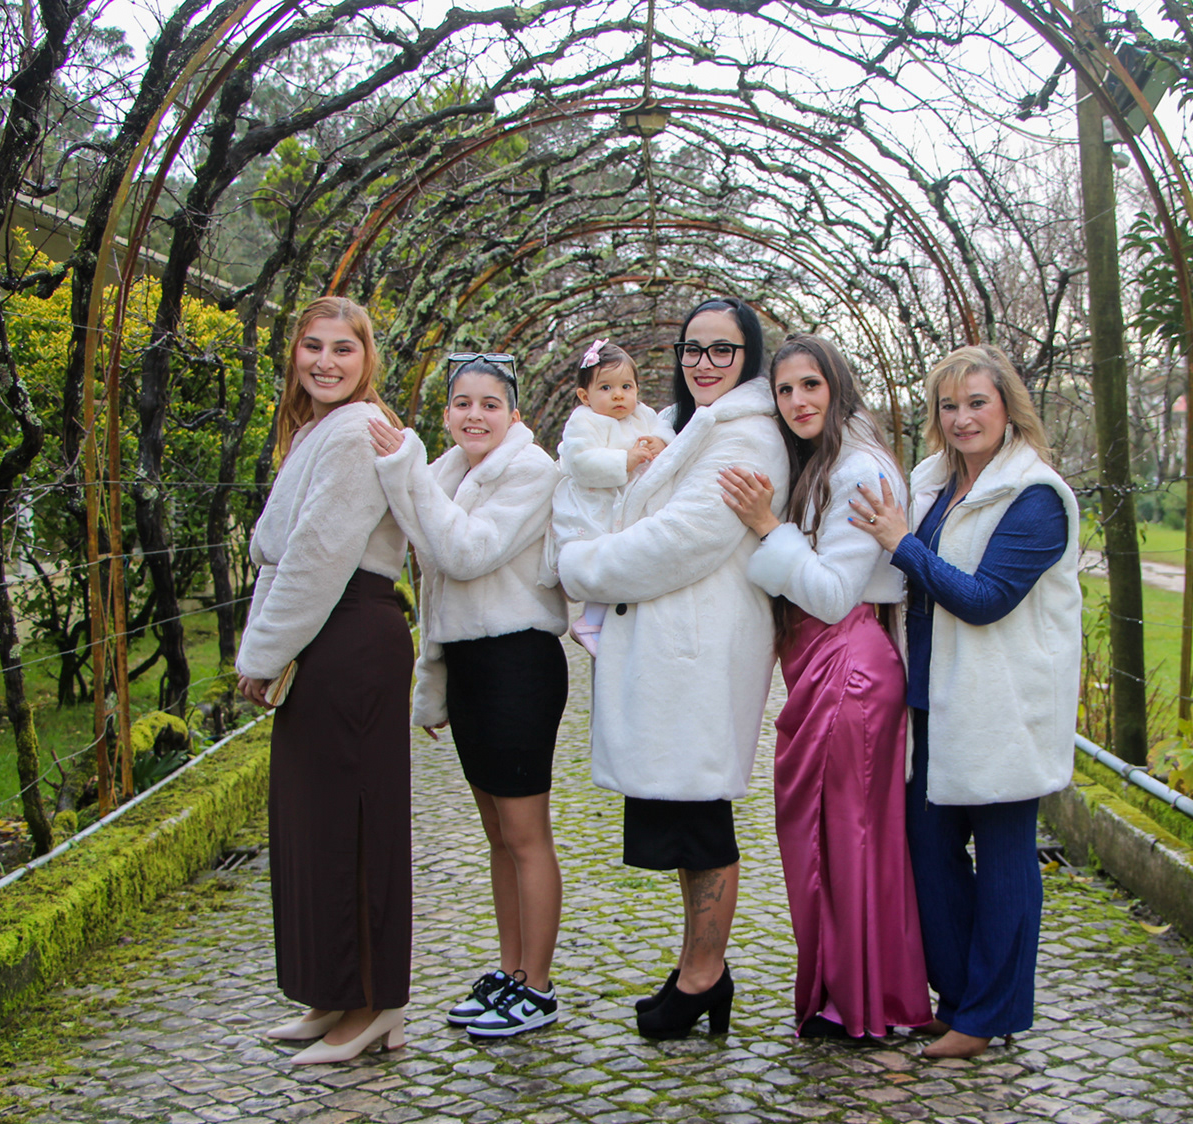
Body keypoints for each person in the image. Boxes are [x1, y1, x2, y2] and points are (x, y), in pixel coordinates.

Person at [556, 298, 789, 1039]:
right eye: (693, 348)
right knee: (689, 818)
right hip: (677, 649)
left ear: (749, 358)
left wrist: (580, 565)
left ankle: (705, 974)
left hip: (700, 653)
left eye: (722, 350)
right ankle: (698, 966)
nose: (704, 362)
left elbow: (681, 540)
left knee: (704, 818)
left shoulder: (748, 436)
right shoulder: (691, 425)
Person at [849, 344, 1082, 1060]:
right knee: (930, 850)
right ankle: (956, 1001)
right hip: (930, 693)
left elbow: (985, 600)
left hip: (1001, 700)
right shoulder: (933, 482)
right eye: (948, 406)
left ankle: (989, 1014)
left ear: (1008, 406)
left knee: (1005, 853)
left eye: (977, 402)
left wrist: (901, 544)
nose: (962, 419)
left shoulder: (1035, 496)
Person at [717, 334, 931, 1040]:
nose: (797, 400)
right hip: (823, 665)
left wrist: (766, 527)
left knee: (847, 841)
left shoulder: (860, 470)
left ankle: (858, 1002)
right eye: (785, 389)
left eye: (810, 384)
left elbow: (835, 595)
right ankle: (853, 992)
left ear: (838, 385)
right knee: (832, 841)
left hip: (848, 667)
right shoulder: (825, 462)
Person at [367, 354, 570, 1039]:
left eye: (489, 404)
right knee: (496, 836)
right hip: (471, 664)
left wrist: (405, 470)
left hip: (518, 662)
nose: (474, 415)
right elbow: (435, 590)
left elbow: (464, 554)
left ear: (515, 414)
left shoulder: (531, 471)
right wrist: (436, 683)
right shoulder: (448, 474)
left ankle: (537, 987)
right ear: (447, 412)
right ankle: (510, 972)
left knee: (526, 833)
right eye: (462, 403)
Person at [236, 297, 413, 1066]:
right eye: (313, 346)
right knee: (317, 823)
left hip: (348, 632)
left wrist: (261, 654)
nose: (326, 362)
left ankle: (374, 1003)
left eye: (345, 348)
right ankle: (335, 991)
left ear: (367, 358)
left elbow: (316, 556)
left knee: (357, 823)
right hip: (324, 632)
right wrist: (269, 645)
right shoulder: (317, 430)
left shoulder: (354, 431)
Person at [545, 339, 669, 654]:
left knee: (627, 554)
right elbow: (580, 461)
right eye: (606, 388)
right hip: (592, 503)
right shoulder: (584, 421)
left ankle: (613, 619)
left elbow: (662, 429)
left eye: (626, 386)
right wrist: (624, 461)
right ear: (584, 396)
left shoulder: (642, 414)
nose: (618, 395)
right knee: (599, 555)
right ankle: (590, 620)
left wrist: (660, 441)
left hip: (626, 501)